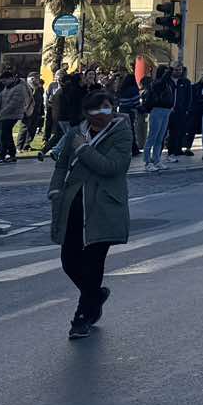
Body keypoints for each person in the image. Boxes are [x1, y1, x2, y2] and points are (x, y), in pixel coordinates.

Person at [52, 90, 131, 340]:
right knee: (69, 260)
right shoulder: (76, 133)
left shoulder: (121, 133)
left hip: (103, 205)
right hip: (74, 204)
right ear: (86, 112)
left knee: (94, 263)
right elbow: (62, 163)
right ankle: (95, 295)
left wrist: (84, 149)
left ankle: (82, 317)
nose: (100, 114)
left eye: (105, 108)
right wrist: (55, 189)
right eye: (95, 110)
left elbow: (111, 167)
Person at [0, 72, 32, 165]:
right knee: (5, 135)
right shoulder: (8, 87)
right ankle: (8, 155)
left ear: (11, 78)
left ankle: (5, 155)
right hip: (5, 115)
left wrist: (0, 114)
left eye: (5, 81)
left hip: (13, 115)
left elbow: (12, 104)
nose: (4, 83)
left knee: (5, 135)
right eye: (3, 82)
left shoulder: (19, 88)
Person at [141, 64, 175, 172]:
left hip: (166, 111)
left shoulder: (168, 84)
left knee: (160, 137)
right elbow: (162, 81)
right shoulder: (157, 83)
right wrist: (170, 70)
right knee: (152, 137)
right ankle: (147, 162)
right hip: (157, 110)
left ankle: (156, 160)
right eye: (165, 72)